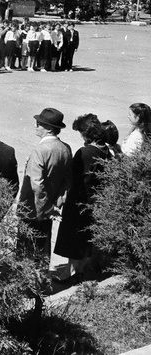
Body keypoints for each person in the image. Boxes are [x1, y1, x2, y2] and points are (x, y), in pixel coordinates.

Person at [54, 114, 112, 281]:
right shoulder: (105, 151)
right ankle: (79, 270)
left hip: (78, 200)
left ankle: (69, 273)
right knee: (85, 238)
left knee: (72, 237)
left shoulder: (85, 152)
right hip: (94, 201)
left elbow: (73, 176)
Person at [18, 107, 73, 280]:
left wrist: (43, 208)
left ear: (48, 128)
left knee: (26, 247)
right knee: (43, 247)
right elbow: (67, 180)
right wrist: (57, 203)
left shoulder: (40, 151)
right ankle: (41, 280)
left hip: (32, 208)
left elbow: (37, 184)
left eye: (39, 124)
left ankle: (26, 282)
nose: (36, 127)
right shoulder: (65, 148)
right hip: (49, 208)